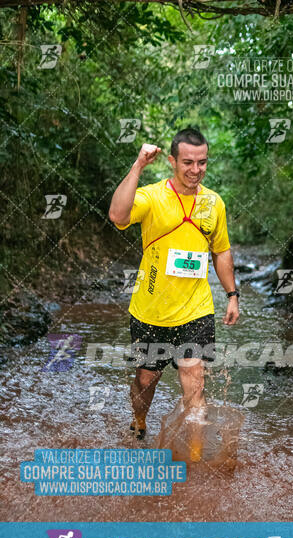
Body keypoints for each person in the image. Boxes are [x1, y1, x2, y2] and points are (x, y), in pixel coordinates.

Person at [109, 128, 239, 458]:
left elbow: (221, 252)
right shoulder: (152, 197)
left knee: (194, 381)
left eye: (202, 163)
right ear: (172, 161)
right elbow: (117, 215)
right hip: (150, 310)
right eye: (188, 163)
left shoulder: (214, 203)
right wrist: (138, 165)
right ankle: (139, 422)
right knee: (146, 381)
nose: (196, 170)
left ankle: (194, 455)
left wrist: (232, 294)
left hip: (196, 309)